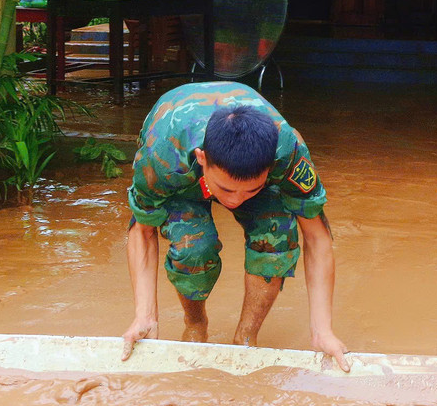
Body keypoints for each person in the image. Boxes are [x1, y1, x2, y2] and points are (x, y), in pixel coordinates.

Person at [120, 81, 349, 370]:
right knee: (193, 248)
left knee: (275, 239)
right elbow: (142, 230)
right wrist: (145, 316)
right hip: (183, 176)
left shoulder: (288, 151)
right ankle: (195, 323)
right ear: (202, 158)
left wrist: (322, 332)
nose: (236, 201)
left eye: (249, 192)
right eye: (227, 191)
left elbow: (317, 236)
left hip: (245, 171)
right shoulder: (161, 155)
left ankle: (245, 339)